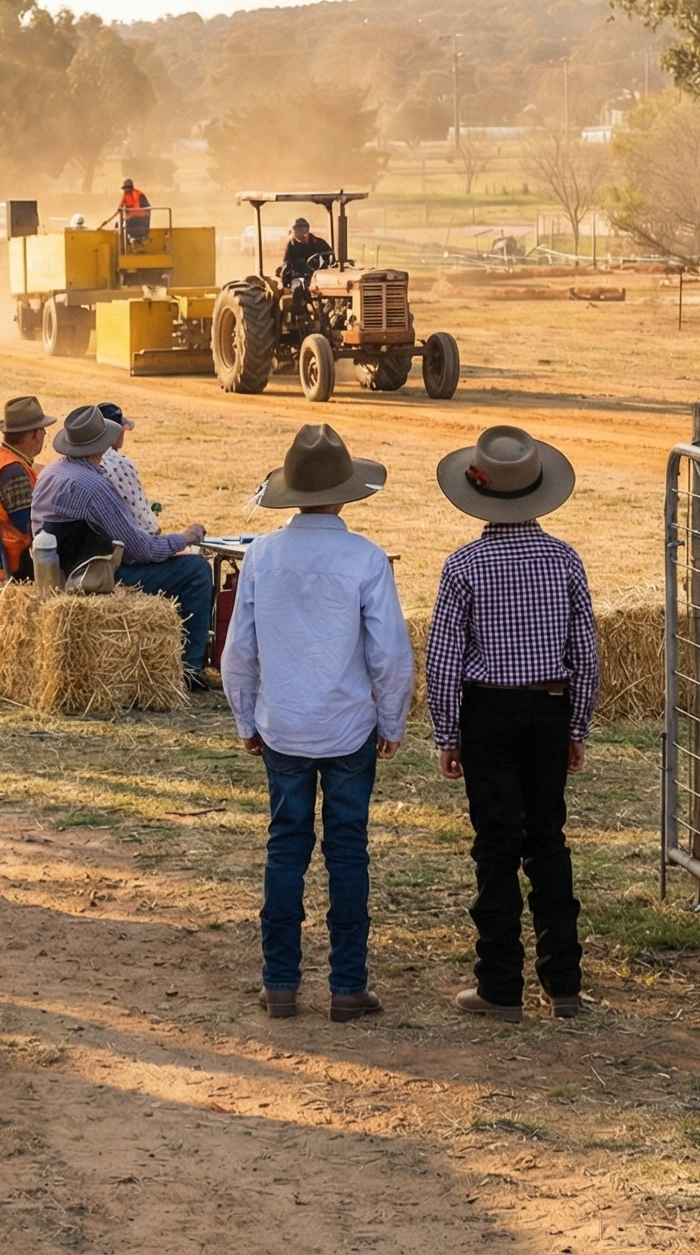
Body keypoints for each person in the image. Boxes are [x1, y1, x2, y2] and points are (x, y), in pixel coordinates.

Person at [220, 423, 412, 1024]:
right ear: (344, 495)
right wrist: (392, 720)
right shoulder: (366, 558)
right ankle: (347, 986)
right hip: (349, 725)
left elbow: (238, 648)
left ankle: (280, 982)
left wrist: (245, 717)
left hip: (283, 724)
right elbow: (389, 653)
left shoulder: (262, 555)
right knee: (348, 852)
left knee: (286, 848)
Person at [427, 425, 598, 1024]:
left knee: (495, 847)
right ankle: (563, 983)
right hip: (548, 708)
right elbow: (586, 652)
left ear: (478, 494)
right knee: (548, 839)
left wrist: (447, 734)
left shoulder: (462, 566)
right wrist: (577, 726)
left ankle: (499, 985)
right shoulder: (565, 560)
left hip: (488, 713)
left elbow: (444, 659)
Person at [28, 405, 213, 686]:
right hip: (94, 577)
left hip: (57, 571)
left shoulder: (51, 473)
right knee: (196, 571)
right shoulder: (94, 486)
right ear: (102, 445)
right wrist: (184, 537)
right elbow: (142, 550)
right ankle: (189, 669)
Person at [0, 396, 53, 578]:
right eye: (43, 429)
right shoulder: (14, 473)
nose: (45, 433)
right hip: (19, 561)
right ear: (34, 434)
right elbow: (29, 527)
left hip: (2, 556)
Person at [95, 400, 160, 535]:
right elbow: (148, 526)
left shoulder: (76, 460)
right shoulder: (119, 464)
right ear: (117, 432)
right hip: (121, 541)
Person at [283, 216, 336, 286]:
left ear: (307, 230)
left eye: (301, 229)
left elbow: (332, 260)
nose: (299, 232)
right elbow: (287, 264)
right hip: (299, 277)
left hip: (320, 277)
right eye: (297, 229)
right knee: (297, 287)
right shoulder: (291, 245)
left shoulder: (319, 243)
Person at [118, 177, 152, 246]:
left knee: (134, 227)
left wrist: (128, 216)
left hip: (142, 216)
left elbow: (137, 208)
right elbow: (122, 203)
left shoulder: (138, 194)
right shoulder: (126, 194)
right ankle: (131, 240)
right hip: (132, 217)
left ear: (130, 187)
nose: (125, 190)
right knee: (129, 226)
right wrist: (119, 208)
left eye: (126, 188)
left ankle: (138, 239)